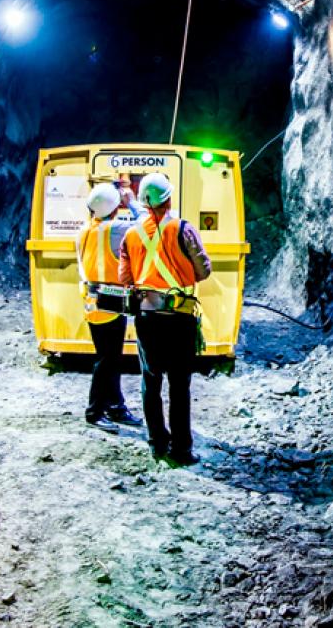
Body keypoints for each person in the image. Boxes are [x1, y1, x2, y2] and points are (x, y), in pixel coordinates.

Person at [118, 172, 211, 466]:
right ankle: (181, 450)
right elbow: (203, 270)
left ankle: (157, 443)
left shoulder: (131, 235)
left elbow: (125, 277)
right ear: (169, 198)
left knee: (151, 381)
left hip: (147, 318)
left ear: (145, 204)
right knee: (179, 385)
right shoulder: (183, 229)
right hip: (179, 317)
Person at [76, 182, 142, 433]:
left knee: (111, 358)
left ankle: (116, 406)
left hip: (96, 303)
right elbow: (148, 226)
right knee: (107, 359)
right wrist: (132, 201)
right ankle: (94, 411)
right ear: (115, 209)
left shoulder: (85, 230)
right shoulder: (114, 229)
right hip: (108, 304)